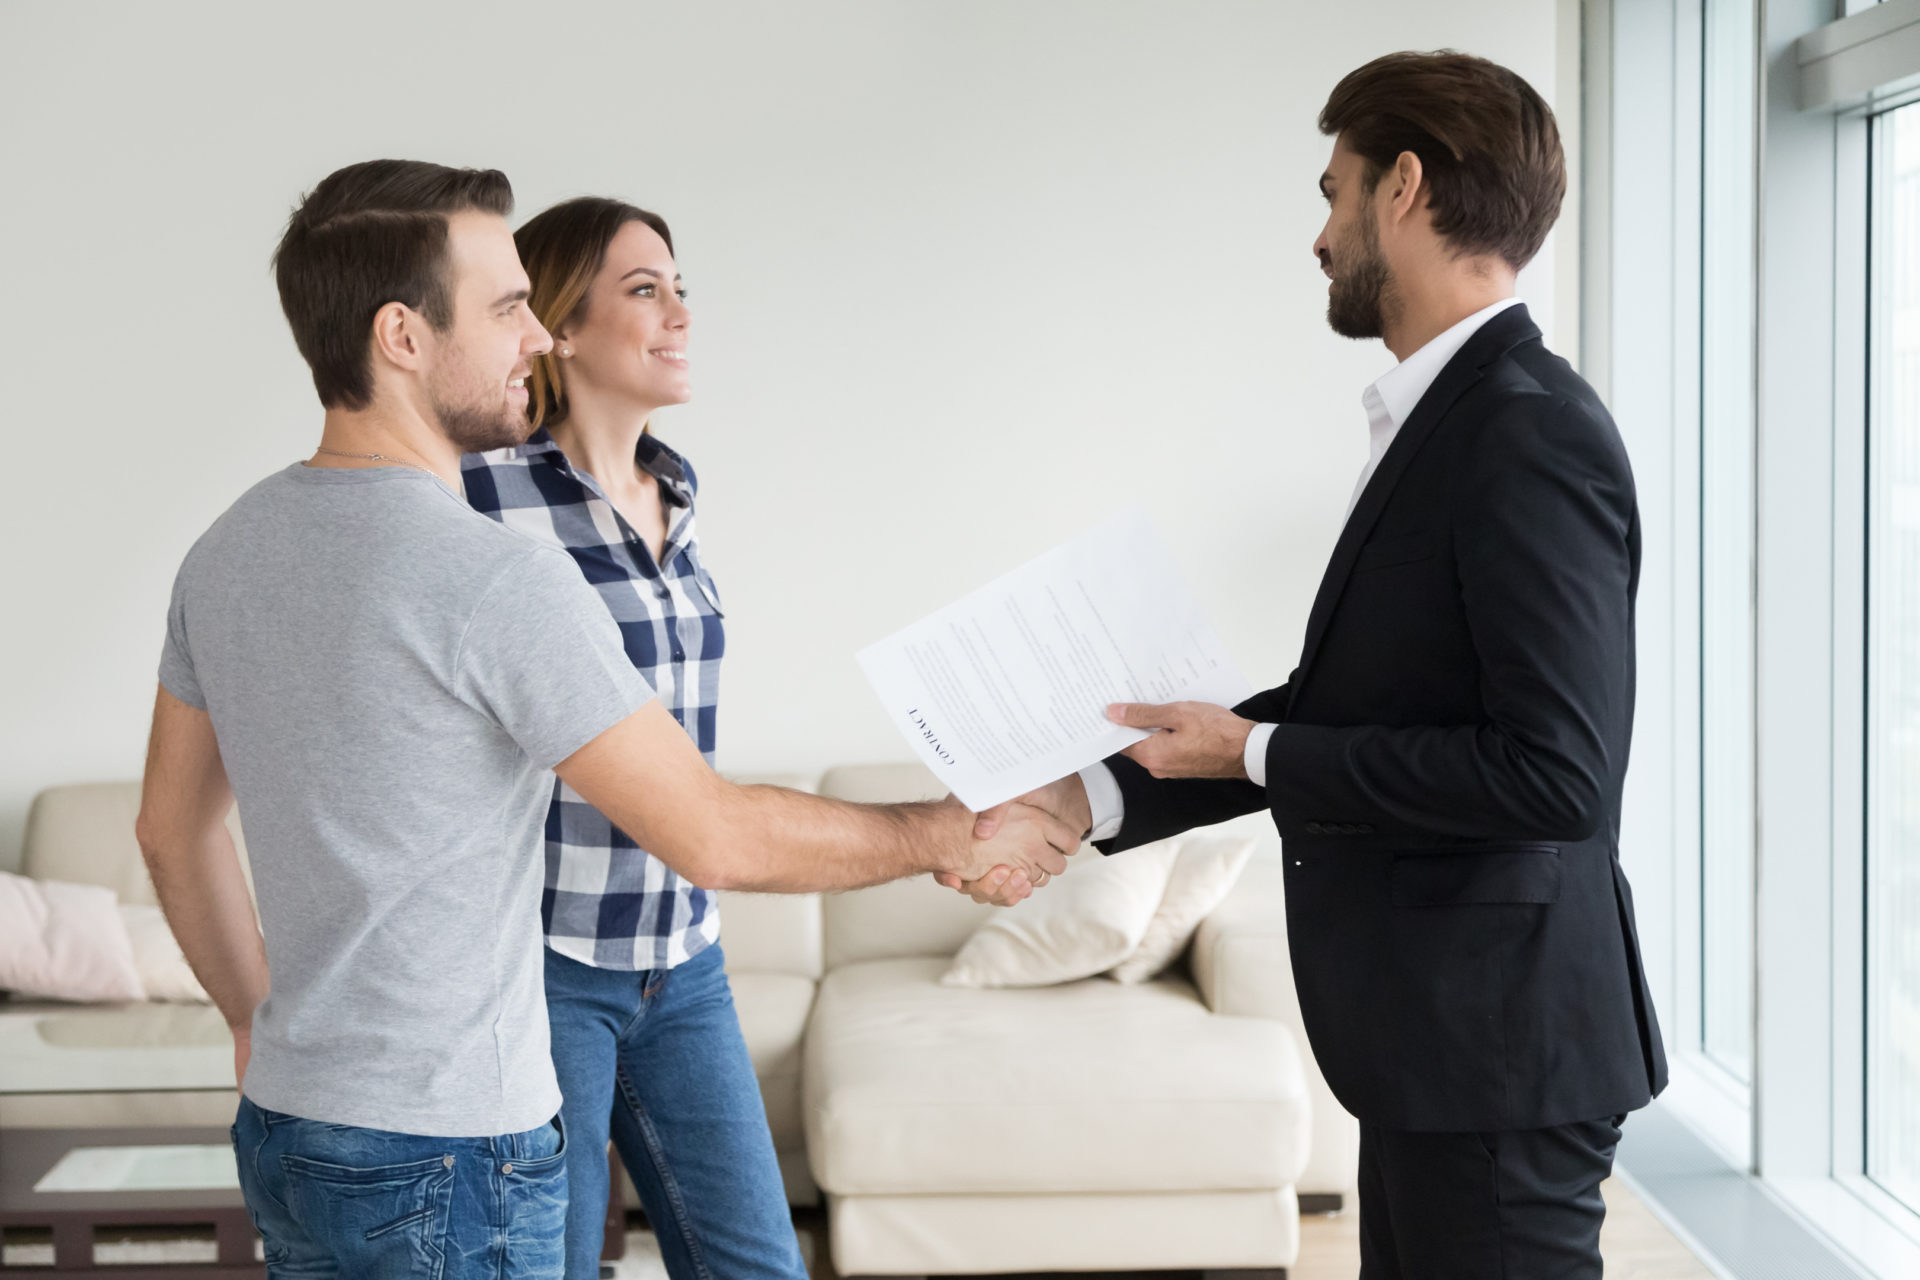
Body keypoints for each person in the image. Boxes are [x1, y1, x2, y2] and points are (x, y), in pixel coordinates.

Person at [134, 159, 1070, 1280]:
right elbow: (713, 832)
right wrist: (942, 831)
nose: (535, 336)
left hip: (293, 1121)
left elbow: (170, 828)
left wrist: (252, 1015)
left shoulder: (226, 551)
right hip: (453, 1145)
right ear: (402, 336)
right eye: (506, 306)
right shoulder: (492, 577)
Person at [959, 51, 1666, 1279]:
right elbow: (1366, 710)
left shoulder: (1525, 428)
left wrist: (1259, 748)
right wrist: (1093, 794)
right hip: (1440, 1047)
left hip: (1496, 1051)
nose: (1319, 233)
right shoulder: (1451, 418)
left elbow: (1557, 775)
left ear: (1404, 187)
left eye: (1332, 190)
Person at [460, 196, 824, 1280]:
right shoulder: (483, 496)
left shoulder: (678, 492)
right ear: (558, 327)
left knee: (759, 1265)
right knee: (553, 1267)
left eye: (680, 288)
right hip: (545, 964)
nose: (679, 313)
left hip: (683, 959)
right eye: (643, 289)